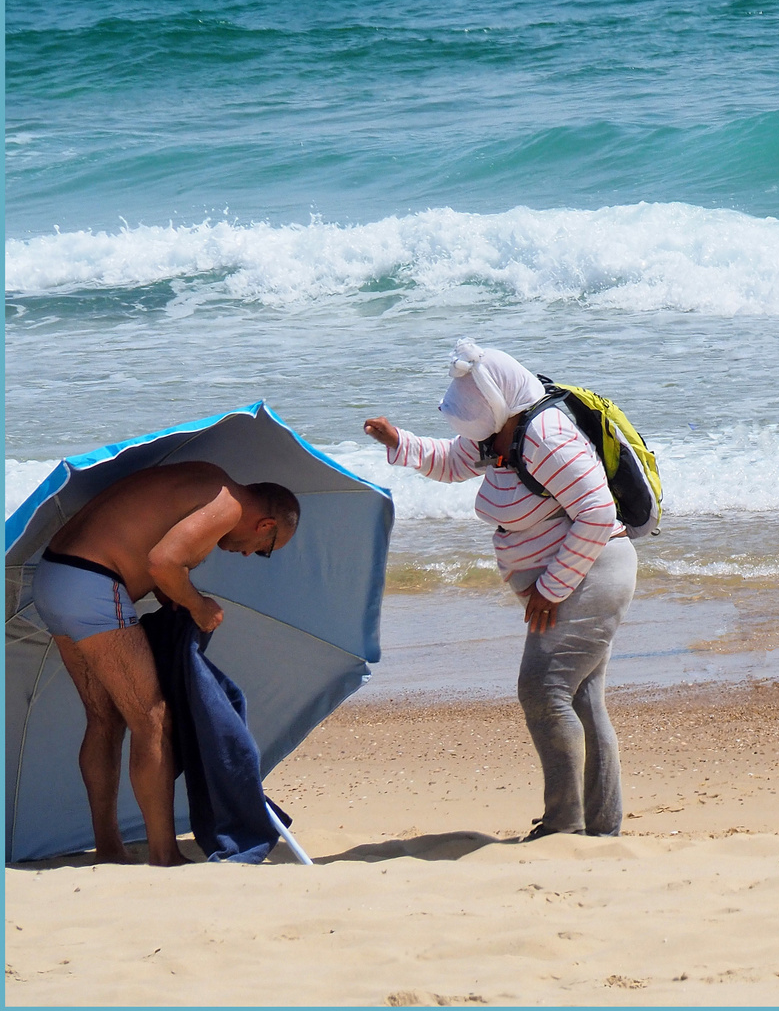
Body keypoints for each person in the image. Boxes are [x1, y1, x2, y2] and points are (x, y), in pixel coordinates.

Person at [364, 339, 634, 841]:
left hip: (594, 573)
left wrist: (551, 589)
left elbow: (597, 513)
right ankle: (599, 828)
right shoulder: (500, 432)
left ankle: (564, 824)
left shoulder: (546, 437)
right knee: (581, 698)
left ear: (498, 399)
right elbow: (452, 461)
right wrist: (399, 442)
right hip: (576, 575)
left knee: (542, 690)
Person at [33, 463, 300, 865]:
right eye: (263, 550)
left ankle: (109, 848)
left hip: (55, 577)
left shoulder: (208, 478)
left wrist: (168, 593)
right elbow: (163, 562)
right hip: (93, 584)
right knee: (152, 719)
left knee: (104, 719)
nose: (249, 553)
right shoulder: (227, 505)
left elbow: (145, 542)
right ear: (264, 525)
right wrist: (198, 605)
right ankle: (164, 853)